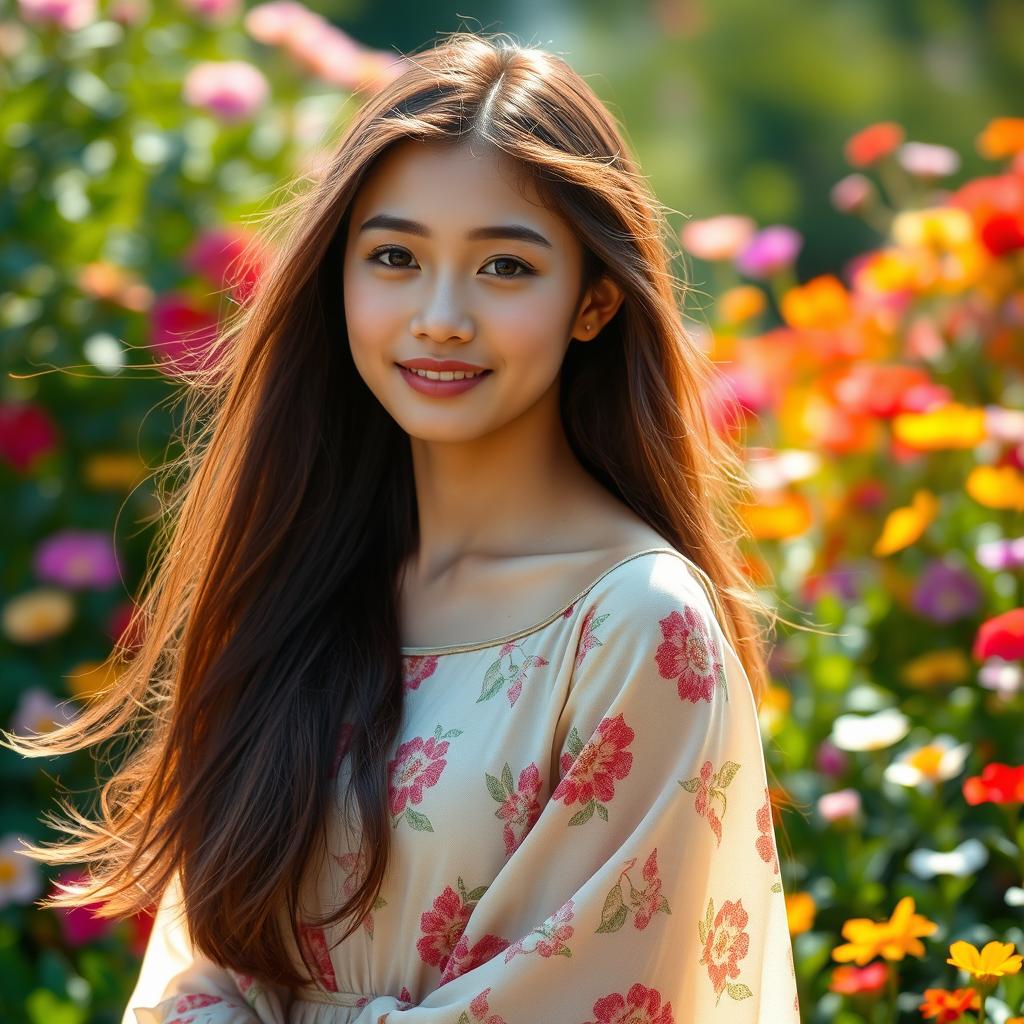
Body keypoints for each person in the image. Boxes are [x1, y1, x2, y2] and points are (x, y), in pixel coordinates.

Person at [6, 30, 799, 1024]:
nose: (439, 316)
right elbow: (202, 959)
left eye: (504, 268)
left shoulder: (638, 627)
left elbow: (588, 997)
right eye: (393, 256)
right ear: (339, 278)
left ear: (592, 301)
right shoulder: (306, 578)